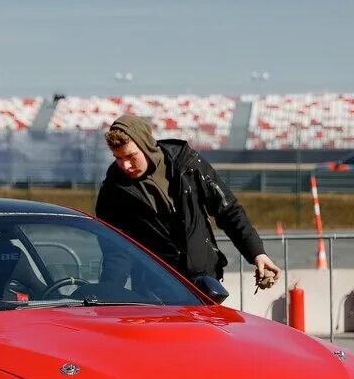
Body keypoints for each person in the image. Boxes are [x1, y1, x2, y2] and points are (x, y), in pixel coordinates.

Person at [95, 114, 280, 290]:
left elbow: (228, 210)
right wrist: (110, 289)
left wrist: (256, 253)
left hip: (205, 283)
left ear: (146, 146)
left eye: (131, 156)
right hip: (154, 290)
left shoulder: (187, 164)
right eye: (118, 158)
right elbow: (116, 250)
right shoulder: (113, 190)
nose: (125, 165)